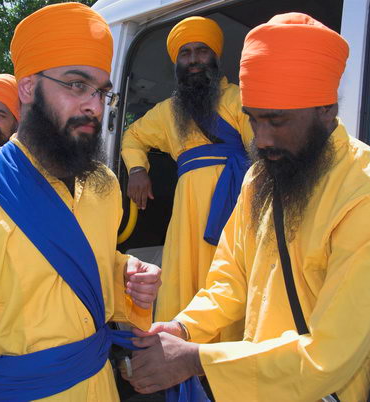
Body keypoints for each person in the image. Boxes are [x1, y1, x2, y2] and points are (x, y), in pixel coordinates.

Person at [123, 13, 370, 401]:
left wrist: (195, 359)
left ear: (326, 109)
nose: (260, 140)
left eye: (275, 120)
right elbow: (229, 281)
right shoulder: (261, 176)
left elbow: (330, 358)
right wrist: (183, 328)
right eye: (253, 119)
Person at [0, 3, 161, 401]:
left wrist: (126, 273)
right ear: (28, 88)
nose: (93, 105)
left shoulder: (104, 185)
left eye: (102, 91)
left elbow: (79, 269)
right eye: (76, 84)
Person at [121, 16, 253, 335]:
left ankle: (223, 364)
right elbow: (132, 136)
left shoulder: (240, 98)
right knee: (184, 282)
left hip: (235, 205)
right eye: (186, 53)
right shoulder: (167, 111)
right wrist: (137, 170)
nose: (193, 59)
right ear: (177, 63)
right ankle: (182, 357)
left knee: (230, 280)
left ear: (215, 58)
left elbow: (259, 152)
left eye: (201, 51)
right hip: (187, 211)